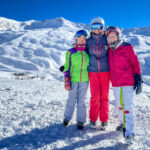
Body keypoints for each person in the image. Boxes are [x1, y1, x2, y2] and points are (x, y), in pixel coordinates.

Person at [106, 26, 143, 144]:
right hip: (116, 84)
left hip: (127, 82)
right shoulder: (109, 50)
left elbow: (135, 63)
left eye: (114, 36)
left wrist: (138, 79)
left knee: (127, 107)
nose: (112, 38)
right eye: (109, 37)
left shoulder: (126, 47)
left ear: (118, 36)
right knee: (119, 106)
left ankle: (129, 133)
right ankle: (123, 124)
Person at [86, 17, 110, 130]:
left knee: (104, 97)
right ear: (91, 27)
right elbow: (82, 53)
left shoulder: (107, 39)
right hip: (93, 72)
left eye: (99, 26)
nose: (96, 29)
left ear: (102, 27)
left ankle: (104, 120)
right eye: (94, 26)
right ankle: (93, 119)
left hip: (105, 72)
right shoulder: (88, 41)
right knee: (95, 96)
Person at [62, 30, 89, 130]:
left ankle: (81, 121)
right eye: (79, 39)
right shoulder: (71, 52)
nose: (82, 41)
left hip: (85, 80)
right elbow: (67, 66)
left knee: (81, 101)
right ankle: (67, 118)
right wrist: (67, 80)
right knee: (71, 99)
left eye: (83, 39)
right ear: (76, 39)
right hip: (73, 79)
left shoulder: (88, 52)